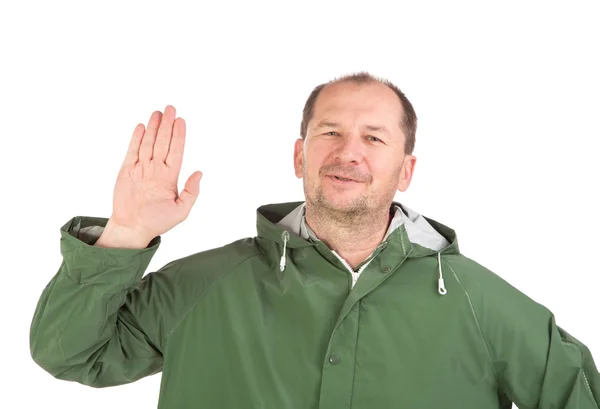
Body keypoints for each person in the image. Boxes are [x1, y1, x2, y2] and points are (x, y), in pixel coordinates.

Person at [30, 72, 599, 409]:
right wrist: (127, 234)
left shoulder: (478, 302)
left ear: (406, 170)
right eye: (330, 132)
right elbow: (70, 353)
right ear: (300, 155)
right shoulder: (204, 288)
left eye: (374, 137)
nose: (348, 152)